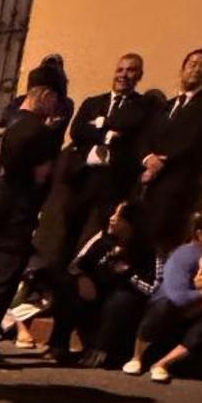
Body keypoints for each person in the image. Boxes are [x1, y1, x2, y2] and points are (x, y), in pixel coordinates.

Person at [0, 69, 63, 365]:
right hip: (18, 216)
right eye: (54, 98)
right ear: (44, 95)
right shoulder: (40, 133)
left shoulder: (6, 123)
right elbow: (41, 177)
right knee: (3, 284)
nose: (55, 106)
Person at [34, 53, 151, 277]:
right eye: (120, 70)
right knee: (67, 233)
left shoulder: (143, 106)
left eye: (131, 70)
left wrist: (99, 125)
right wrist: (108, 133)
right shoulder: (93, 102)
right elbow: (77, 131)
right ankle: (57, 283)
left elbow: (132, 128)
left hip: (113, 183)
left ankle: (85, 283)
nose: (124, 75)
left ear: (139, 75)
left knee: (100, 238)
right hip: (82, 179)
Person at [46, 201, 160, 367]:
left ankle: (101, 350)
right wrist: (81, 277)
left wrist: (128, 274)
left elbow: (152, 288)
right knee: (66, 284)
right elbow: (76, 265)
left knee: (123, 298)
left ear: (131, 223)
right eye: (112, 214)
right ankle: (58, 344)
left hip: (122, 310)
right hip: (95, 299)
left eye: (118, 216)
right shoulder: (102, 242)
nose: (112, 219)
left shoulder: (147, 252)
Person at [122, 206, 202, 383]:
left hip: (201, 312)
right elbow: (177, 296)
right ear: (201, 235)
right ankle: (136, 357)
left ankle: (162, 364)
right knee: (163, 303)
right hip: (171, 311)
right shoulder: (186, 254)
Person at [136, 49, 202, 254]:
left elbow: (192, 140)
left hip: (176, 184)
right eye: (192, 64)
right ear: (182, 69)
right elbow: (146, 136)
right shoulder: (166, 106)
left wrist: (160, 163)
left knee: (158, 242)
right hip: (148, 181)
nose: (197, 69)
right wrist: (148, 158)